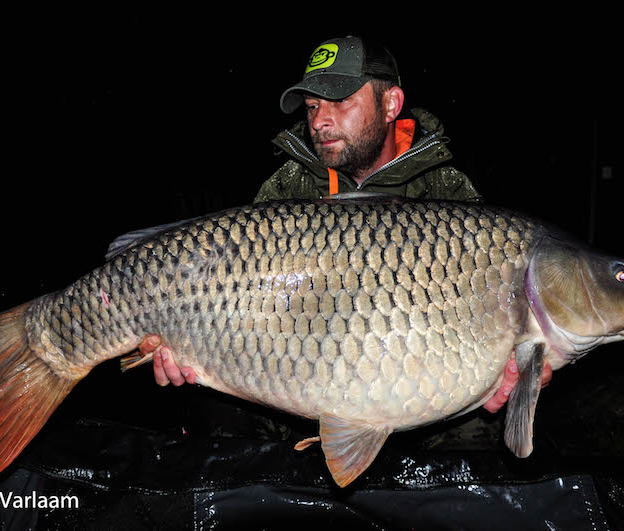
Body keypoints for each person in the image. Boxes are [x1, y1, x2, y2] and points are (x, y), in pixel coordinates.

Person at [138, 36, 550, 413]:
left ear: (391, 104)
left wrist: (516, 370)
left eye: (340, 101)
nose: (318, 121)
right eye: (313, 106)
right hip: (296, 405)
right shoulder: (286, 187)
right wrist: (189, 347)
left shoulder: (447, 192)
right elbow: (239, 314)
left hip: (421, 412)